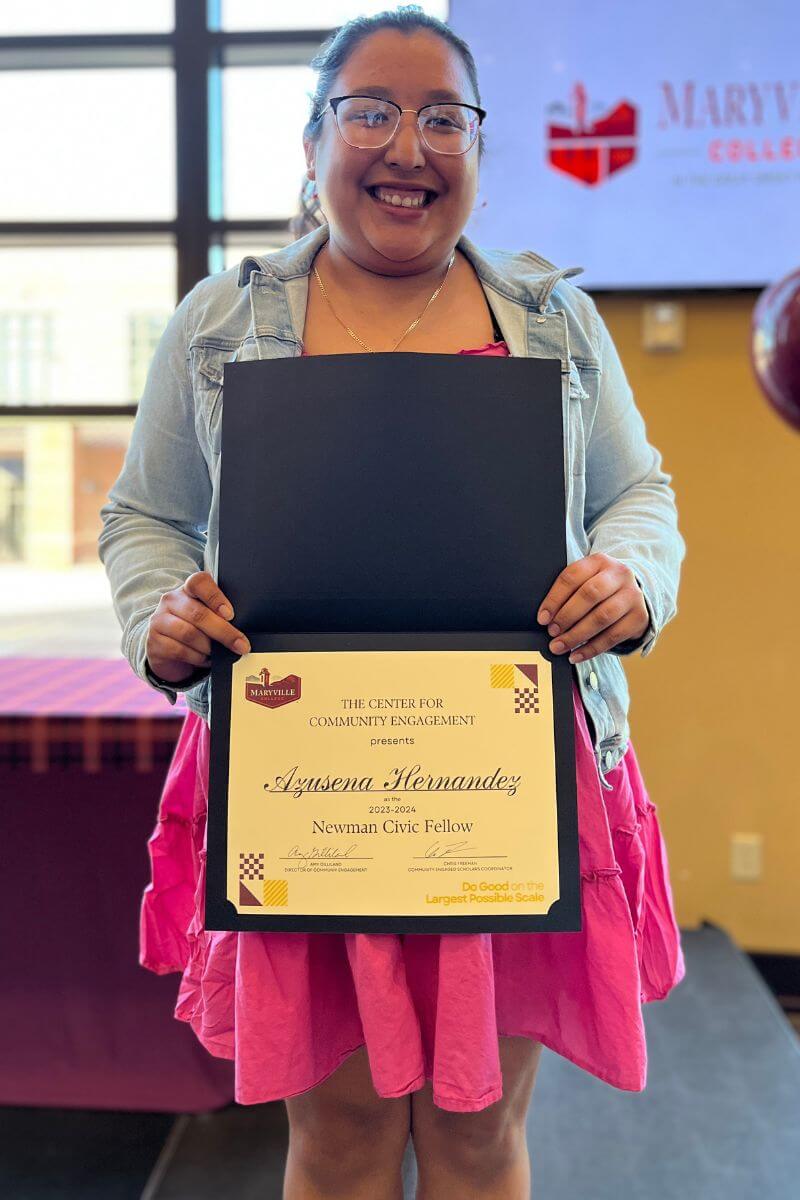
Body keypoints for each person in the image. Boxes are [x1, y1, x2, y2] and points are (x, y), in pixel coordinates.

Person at [98, 6, 686, 1198]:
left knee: (478, 1132)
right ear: (312, 144)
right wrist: (159, 615)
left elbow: (635, 493)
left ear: (477, 149)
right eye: (369, 112)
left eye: (442, 118)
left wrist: (628, 579)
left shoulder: (551, 319)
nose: (406, 147)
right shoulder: (220, 321)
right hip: (299, 774)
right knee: (340, 1134)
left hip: (509, 772)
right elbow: (144, 520)